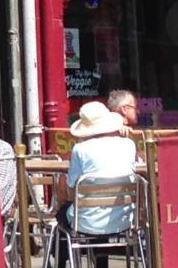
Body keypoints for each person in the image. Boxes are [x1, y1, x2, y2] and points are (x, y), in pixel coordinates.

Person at [54, 100, 138, 267]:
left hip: (87, 222)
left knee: (62, 214)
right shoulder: (129, 145)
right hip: (124, 219)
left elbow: (71, 192)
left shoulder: (80, 149)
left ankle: (60, 263)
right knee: (94, 210)